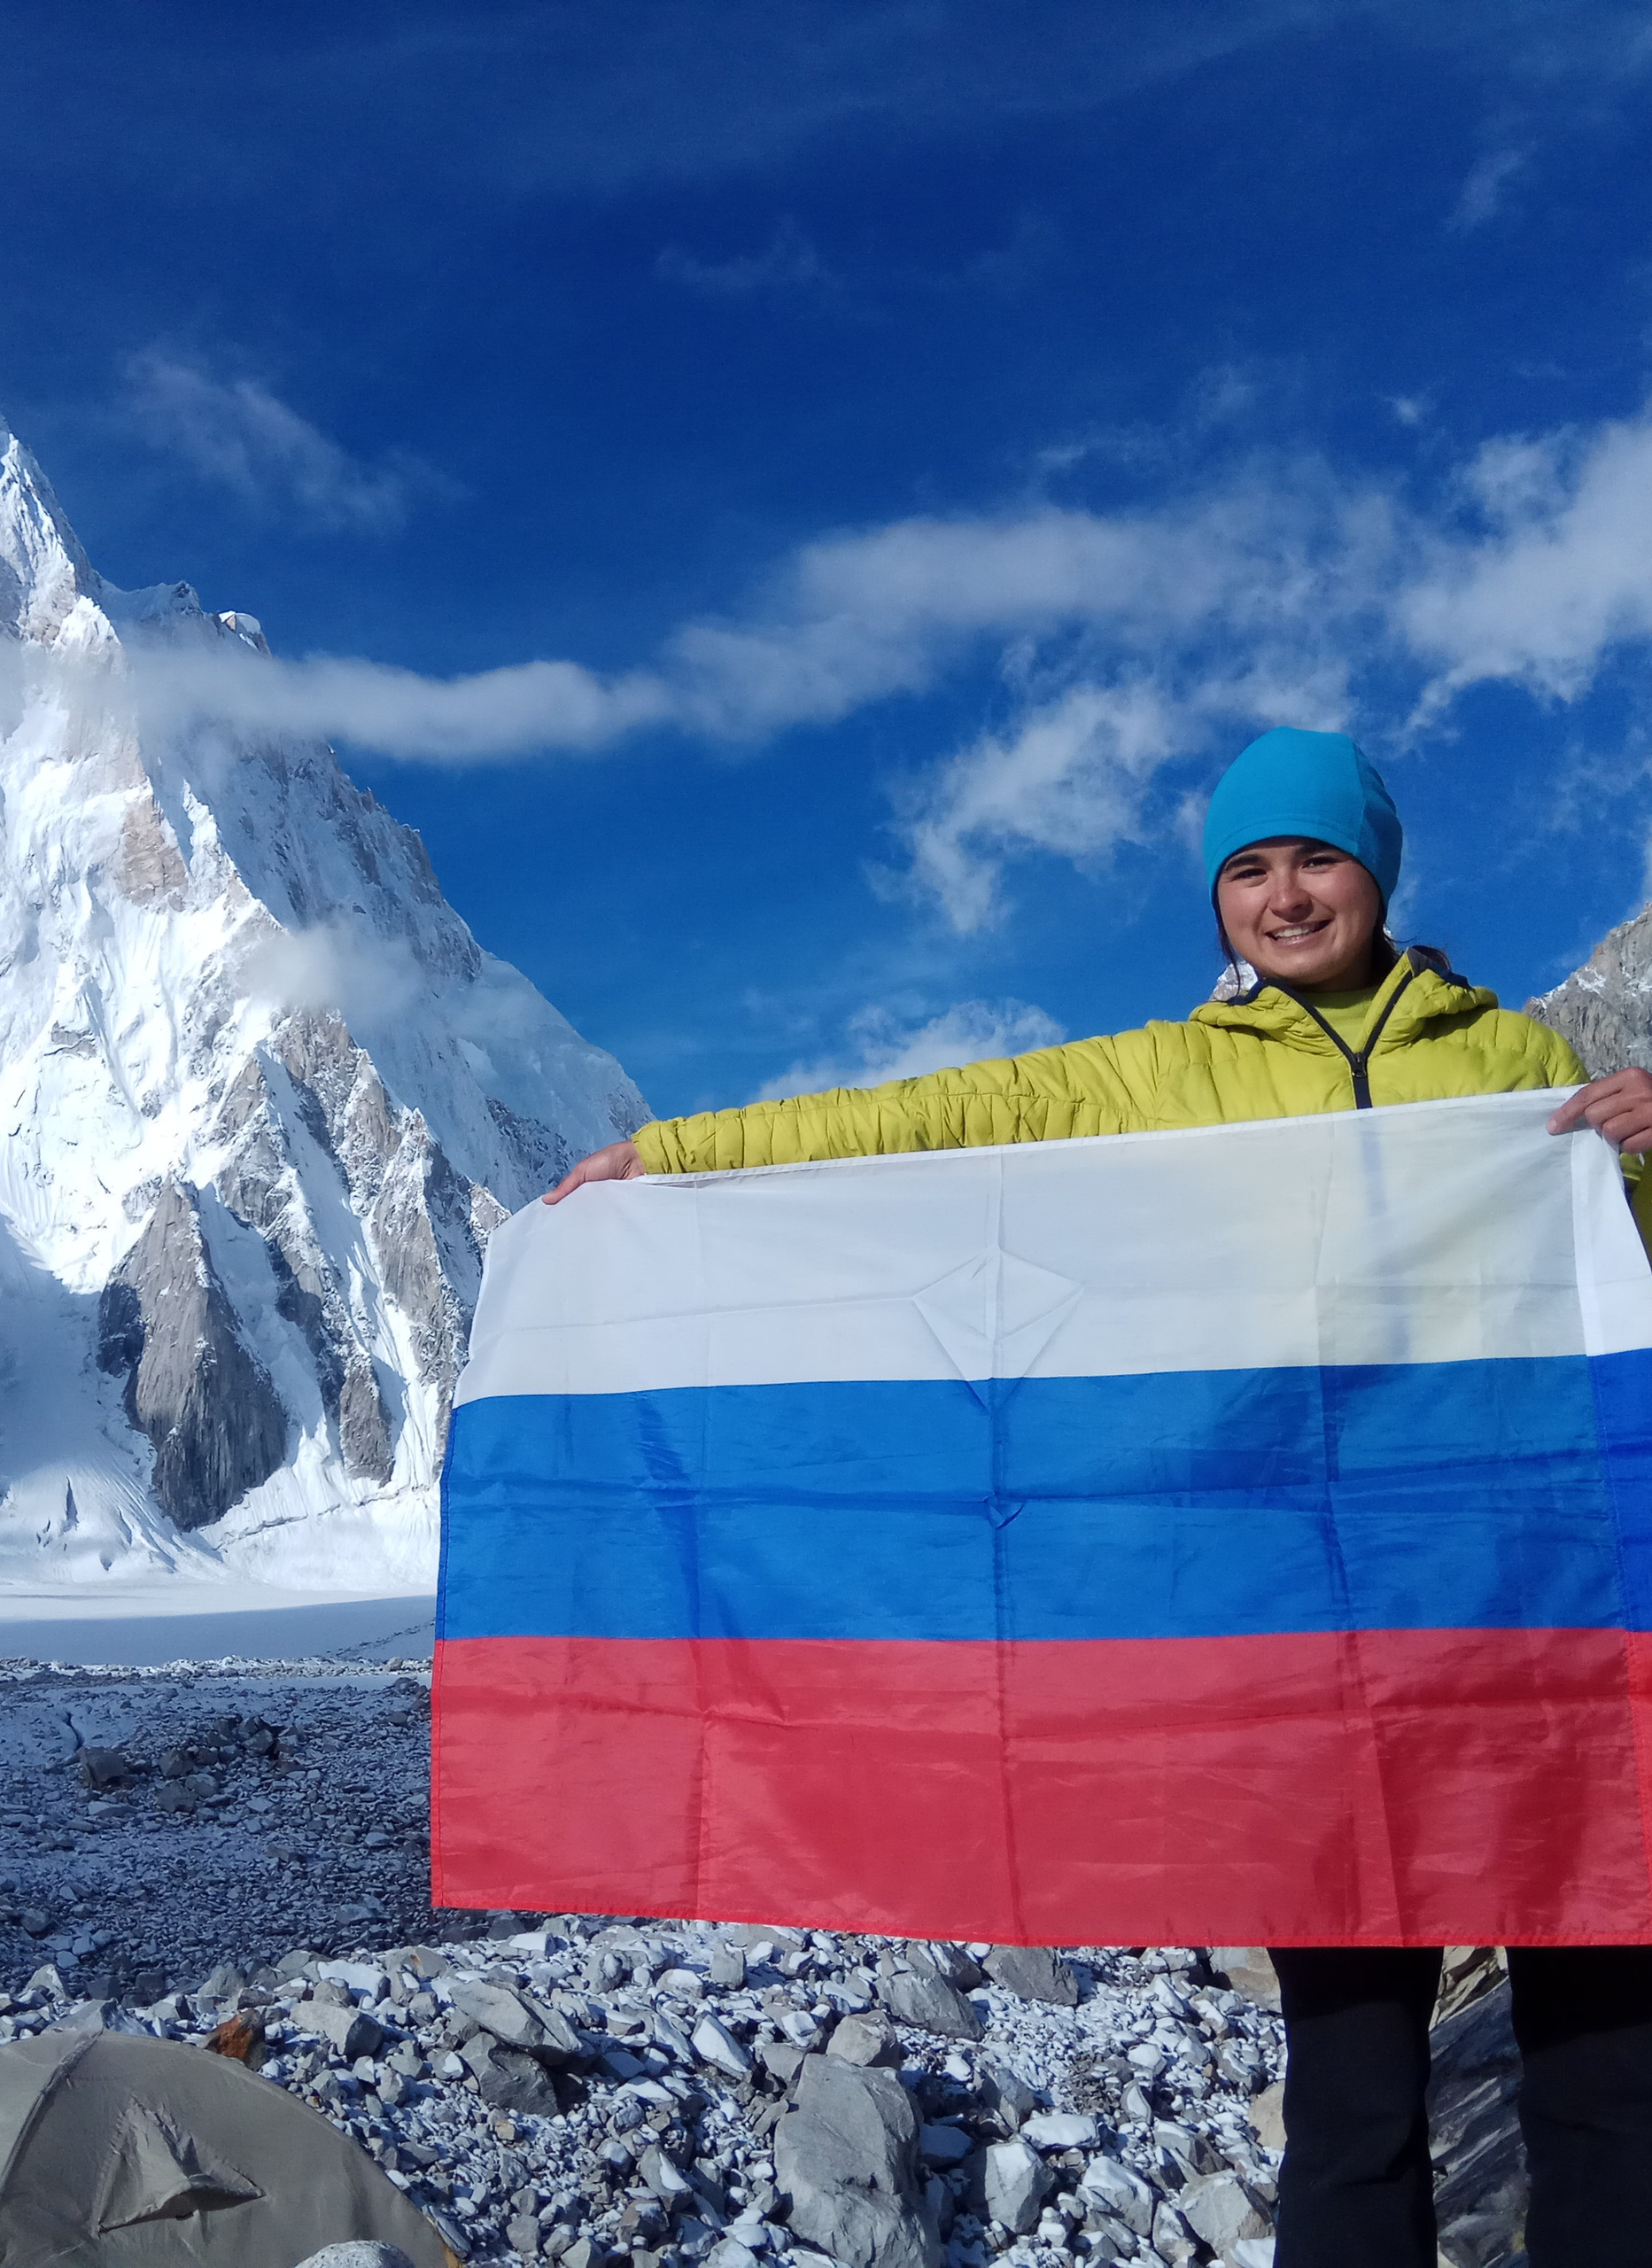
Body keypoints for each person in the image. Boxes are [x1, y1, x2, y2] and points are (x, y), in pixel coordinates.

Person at [546, 726, 1652, 2268]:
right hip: (1324, 1655)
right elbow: (940, 1119)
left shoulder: (1517, 1064)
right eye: (1248, 869)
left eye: (1314, 857)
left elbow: (1622, 1290)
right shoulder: (1169, 1073)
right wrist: (680, 1156)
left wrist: (1640, 1151)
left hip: (1537, 1624)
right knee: (1353, 2089)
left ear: (1376, 871)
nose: (1284, 895)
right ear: (1218, 903)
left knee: (1607, 2075)